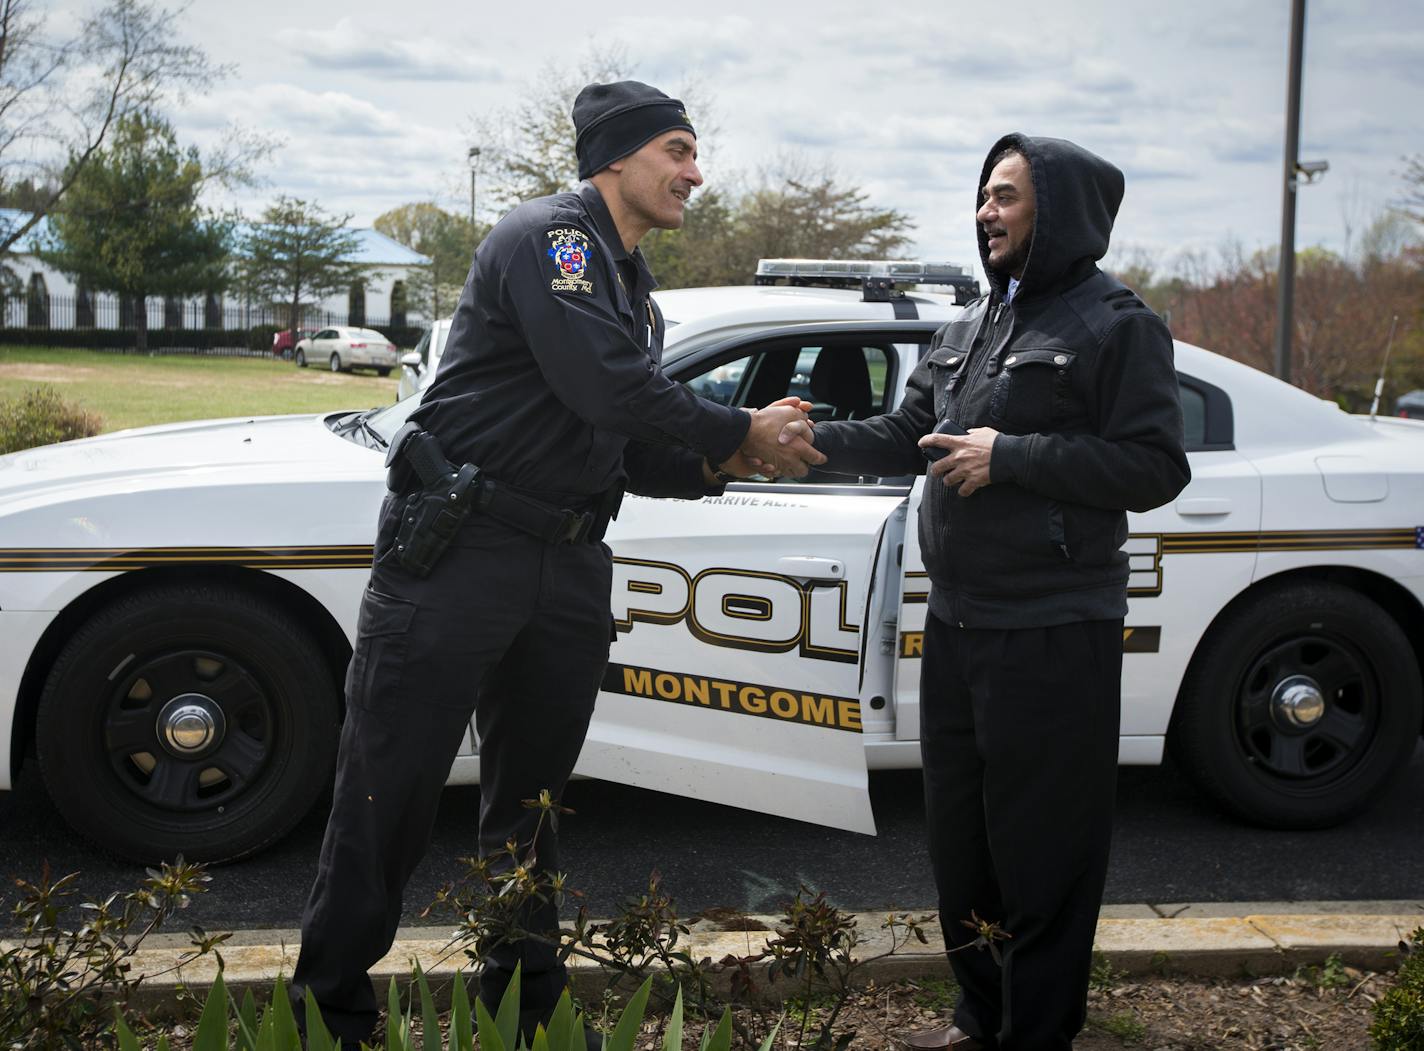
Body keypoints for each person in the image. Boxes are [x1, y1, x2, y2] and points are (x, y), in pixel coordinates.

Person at [289, 80, 824, 1049]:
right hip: (460, 552)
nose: (694, 172)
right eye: (675, 149)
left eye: (694, 153)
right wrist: (735, 422)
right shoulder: (555, 238)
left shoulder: (634, 291)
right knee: (389, 793)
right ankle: (328, 1018)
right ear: (615, 157)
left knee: (530, 810)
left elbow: (620, 439)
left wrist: (726, 456)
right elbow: (601, 383)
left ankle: (521, 1013)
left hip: (568, 560)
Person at [778, 134, 1190, 1049]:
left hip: (1054, 628)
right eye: (982, 195)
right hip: (959, 625)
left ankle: (1037, 1033)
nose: (984, 212)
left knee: (1046, 854)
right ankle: (981, 1017)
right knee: (961, 851)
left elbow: (1157, 465)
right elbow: (907, 434)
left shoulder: (1116, 324)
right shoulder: (969, 324)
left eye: (1005, 196)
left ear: (1060, 212)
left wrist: (1014, 457)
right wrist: (802, 438)